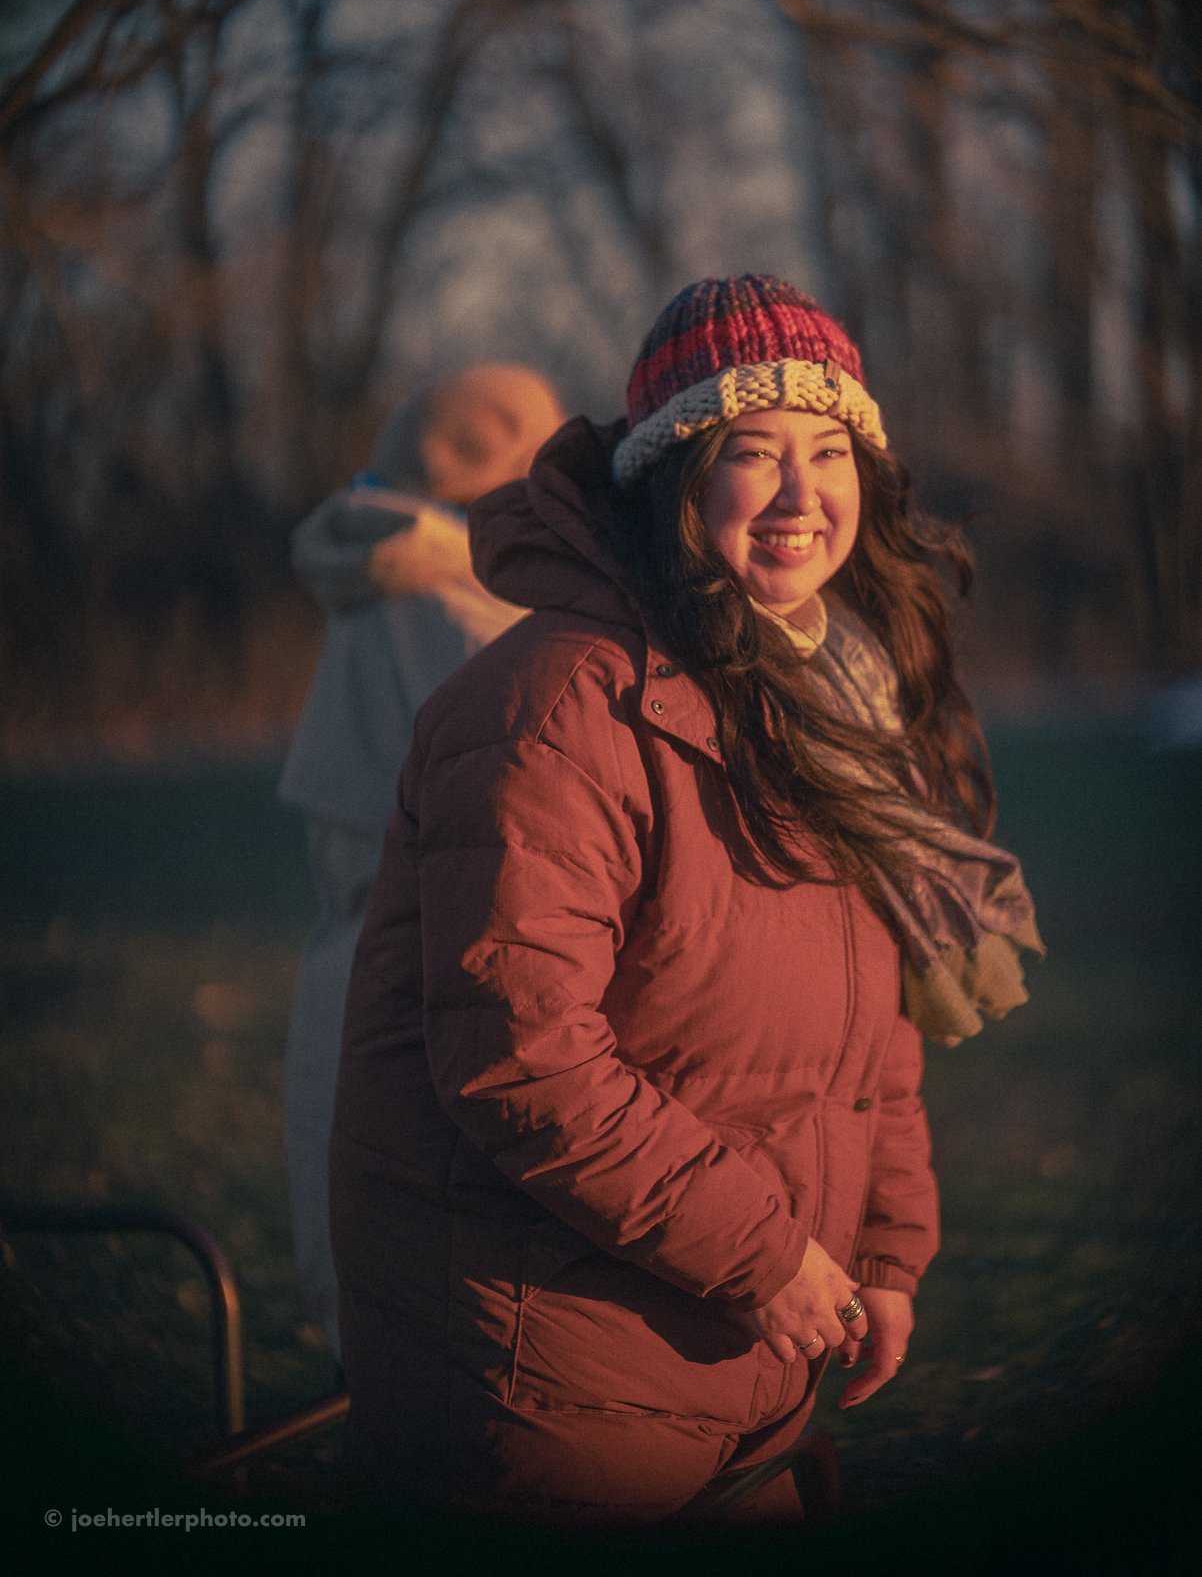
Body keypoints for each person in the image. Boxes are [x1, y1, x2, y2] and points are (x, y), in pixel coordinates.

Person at [329, 276, 1043, 1524]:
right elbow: (524, 1059)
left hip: (739, 1364)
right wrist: (766, 1261)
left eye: (830, 451)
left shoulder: (814, 703)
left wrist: (882, 1255)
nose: (800, 494)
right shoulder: (558, 706)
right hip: (545, 1376)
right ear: (672, 477)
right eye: (751, 454)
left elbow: (866, 1028)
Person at [278, 363, 565, 1356]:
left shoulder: (363, 574)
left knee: (357, 1239)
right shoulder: (475, 612)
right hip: (453, 947)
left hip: (348, 939)